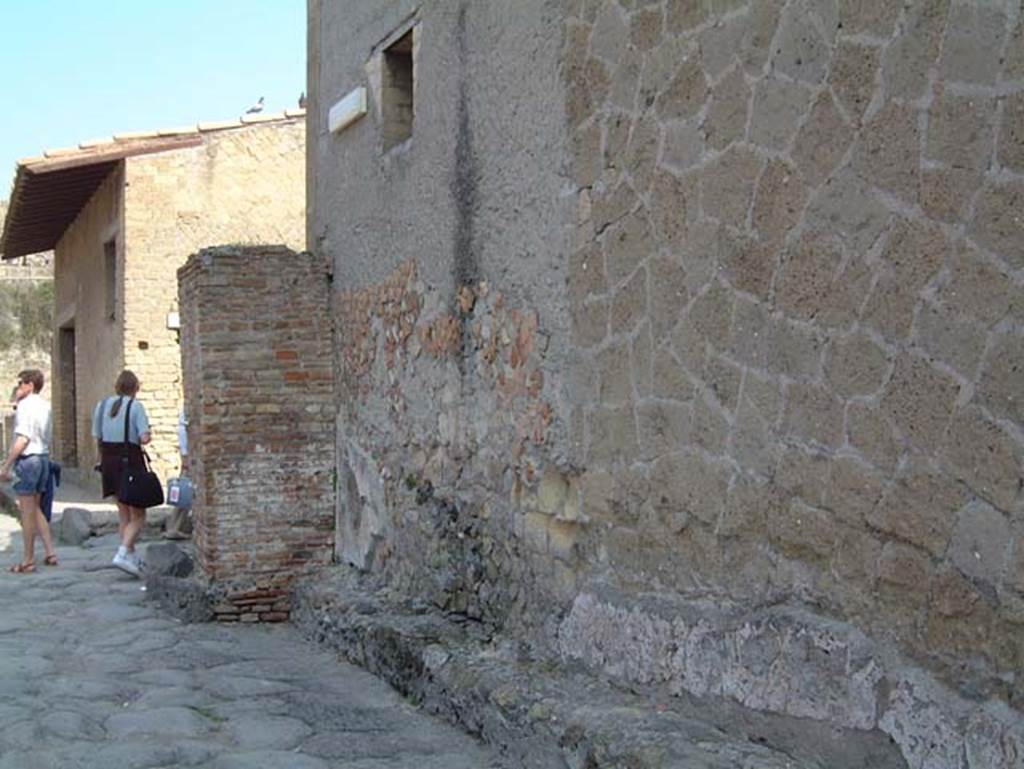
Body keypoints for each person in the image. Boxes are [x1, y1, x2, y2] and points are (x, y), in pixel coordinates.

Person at [92, 370, 152, 577]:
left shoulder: (101, 406)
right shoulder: (136, 407)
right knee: (139, 514)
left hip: (108, 462)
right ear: (136, 387)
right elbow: (144, 437)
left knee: (123, 512)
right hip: (129, 462)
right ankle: (123, 552)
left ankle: (131, 557)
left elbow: (97, 436)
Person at [0, 369, 58, 573]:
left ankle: (28, 559)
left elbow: (23, 438)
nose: (18, 387)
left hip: (28, 459)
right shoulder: (45, 406)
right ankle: (50, 552)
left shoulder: (25, 406)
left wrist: (7, 464)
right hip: (43, 458)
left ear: (30, 385)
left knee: (26, 512)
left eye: (21, 384)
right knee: (36, 507)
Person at [163, 406, 192, 540]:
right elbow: (183, 435)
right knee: (185, 494)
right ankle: (175, 527)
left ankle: (174, 526)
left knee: (184, 494)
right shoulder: (185, 419)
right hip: (189, 459)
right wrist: (185, 458)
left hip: (189, 457)